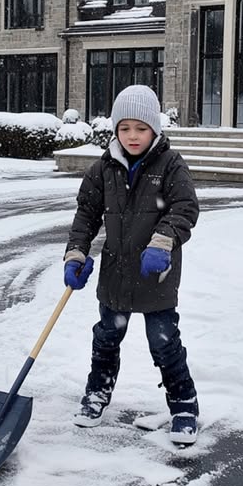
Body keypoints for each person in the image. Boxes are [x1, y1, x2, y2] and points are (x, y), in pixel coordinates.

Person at [63, 85, 200, 444]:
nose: (132, 136)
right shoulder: (102, 169)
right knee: (106, 337)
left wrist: (163, 241)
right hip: (116, 273)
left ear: (155, 128)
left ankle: (184, 404)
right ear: (115, 129)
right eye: (125, 128)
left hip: (156, 273)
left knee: (164, 342)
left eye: (140, 128)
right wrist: (76, 253)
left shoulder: (170, 165)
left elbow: (184, 208)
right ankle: (97, 393)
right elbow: (86, 216)